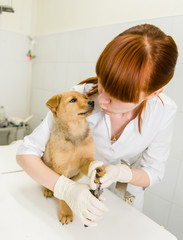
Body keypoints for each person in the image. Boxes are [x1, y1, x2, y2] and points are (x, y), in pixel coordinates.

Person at [16, 24, 178, 226]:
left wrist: (120, 173)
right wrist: (66, 189)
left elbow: (153, 172)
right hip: (77, 185)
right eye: (103, 83)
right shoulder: (80, 97)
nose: (101, 101)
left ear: (153, 93)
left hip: (124, 197)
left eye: (118, 96)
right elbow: (26, 153)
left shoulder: (163, 111)